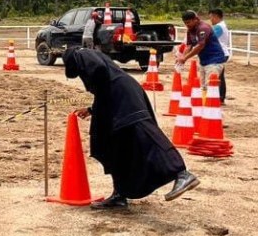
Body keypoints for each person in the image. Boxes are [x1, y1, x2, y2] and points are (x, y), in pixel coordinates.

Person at [64, 47, 199, 209]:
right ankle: (120, 193)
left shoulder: (81, 54)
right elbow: (103, 80)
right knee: (114, 143)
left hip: (124, 96)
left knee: (142, 132)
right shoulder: (91, 59)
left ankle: (181, 173)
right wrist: (94, 109)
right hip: (115, 97)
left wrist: (100, 96)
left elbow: (99, 70)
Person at [176, 10, 227, 89]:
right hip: (204, 61)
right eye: (185, 23)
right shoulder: (190, 30)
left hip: (214, 60)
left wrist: (185, 58)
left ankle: (219, 99)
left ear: (195, 19)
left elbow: (200, 46)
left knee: (211, 87)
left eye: (188, 22)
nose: (187, 25)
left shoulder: (203, 28)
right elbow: (189, 46)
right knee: (203, 88)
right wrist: (182, 57)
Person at [209, 8, 231, 104]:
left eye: (211, 18)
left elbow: (208, 37)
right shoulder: (222, 26)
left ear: (216, 16)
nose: (211, 20)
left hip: (218, 53)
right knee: (219, 76)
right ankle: (220, 97)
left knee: (217, 76)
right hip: (221, 53)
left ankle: (219, 97)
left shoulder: (218, 27)